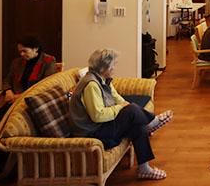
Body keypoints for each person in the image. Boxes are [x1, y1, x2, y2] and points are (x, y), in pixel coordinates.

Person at [69, 49, 173, 180]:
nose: (114, 68)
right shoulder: (91, 85)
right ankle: (151, 123)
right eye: (113, 65)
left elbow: (117, 98)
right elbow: (98, 116)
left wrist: (125, 105)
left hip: (101, 126)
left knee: (136, 123)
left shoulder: (103, 79)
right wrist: (122, 107)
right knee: (131, 110)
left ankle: (144, 168)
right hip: (92, 132)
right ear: (104, 67)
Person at [0, 36, 57, 175]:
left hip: (30, 104)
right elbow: (7, 79)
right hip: (14, 102)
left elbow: (45, 86)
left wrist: (20, 96)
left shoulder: (48, 62)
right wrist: (8, 91)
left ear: (36, 49)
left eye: (25, 51)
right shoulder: (17, 62)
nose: (21, 54)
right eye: (20, 51)